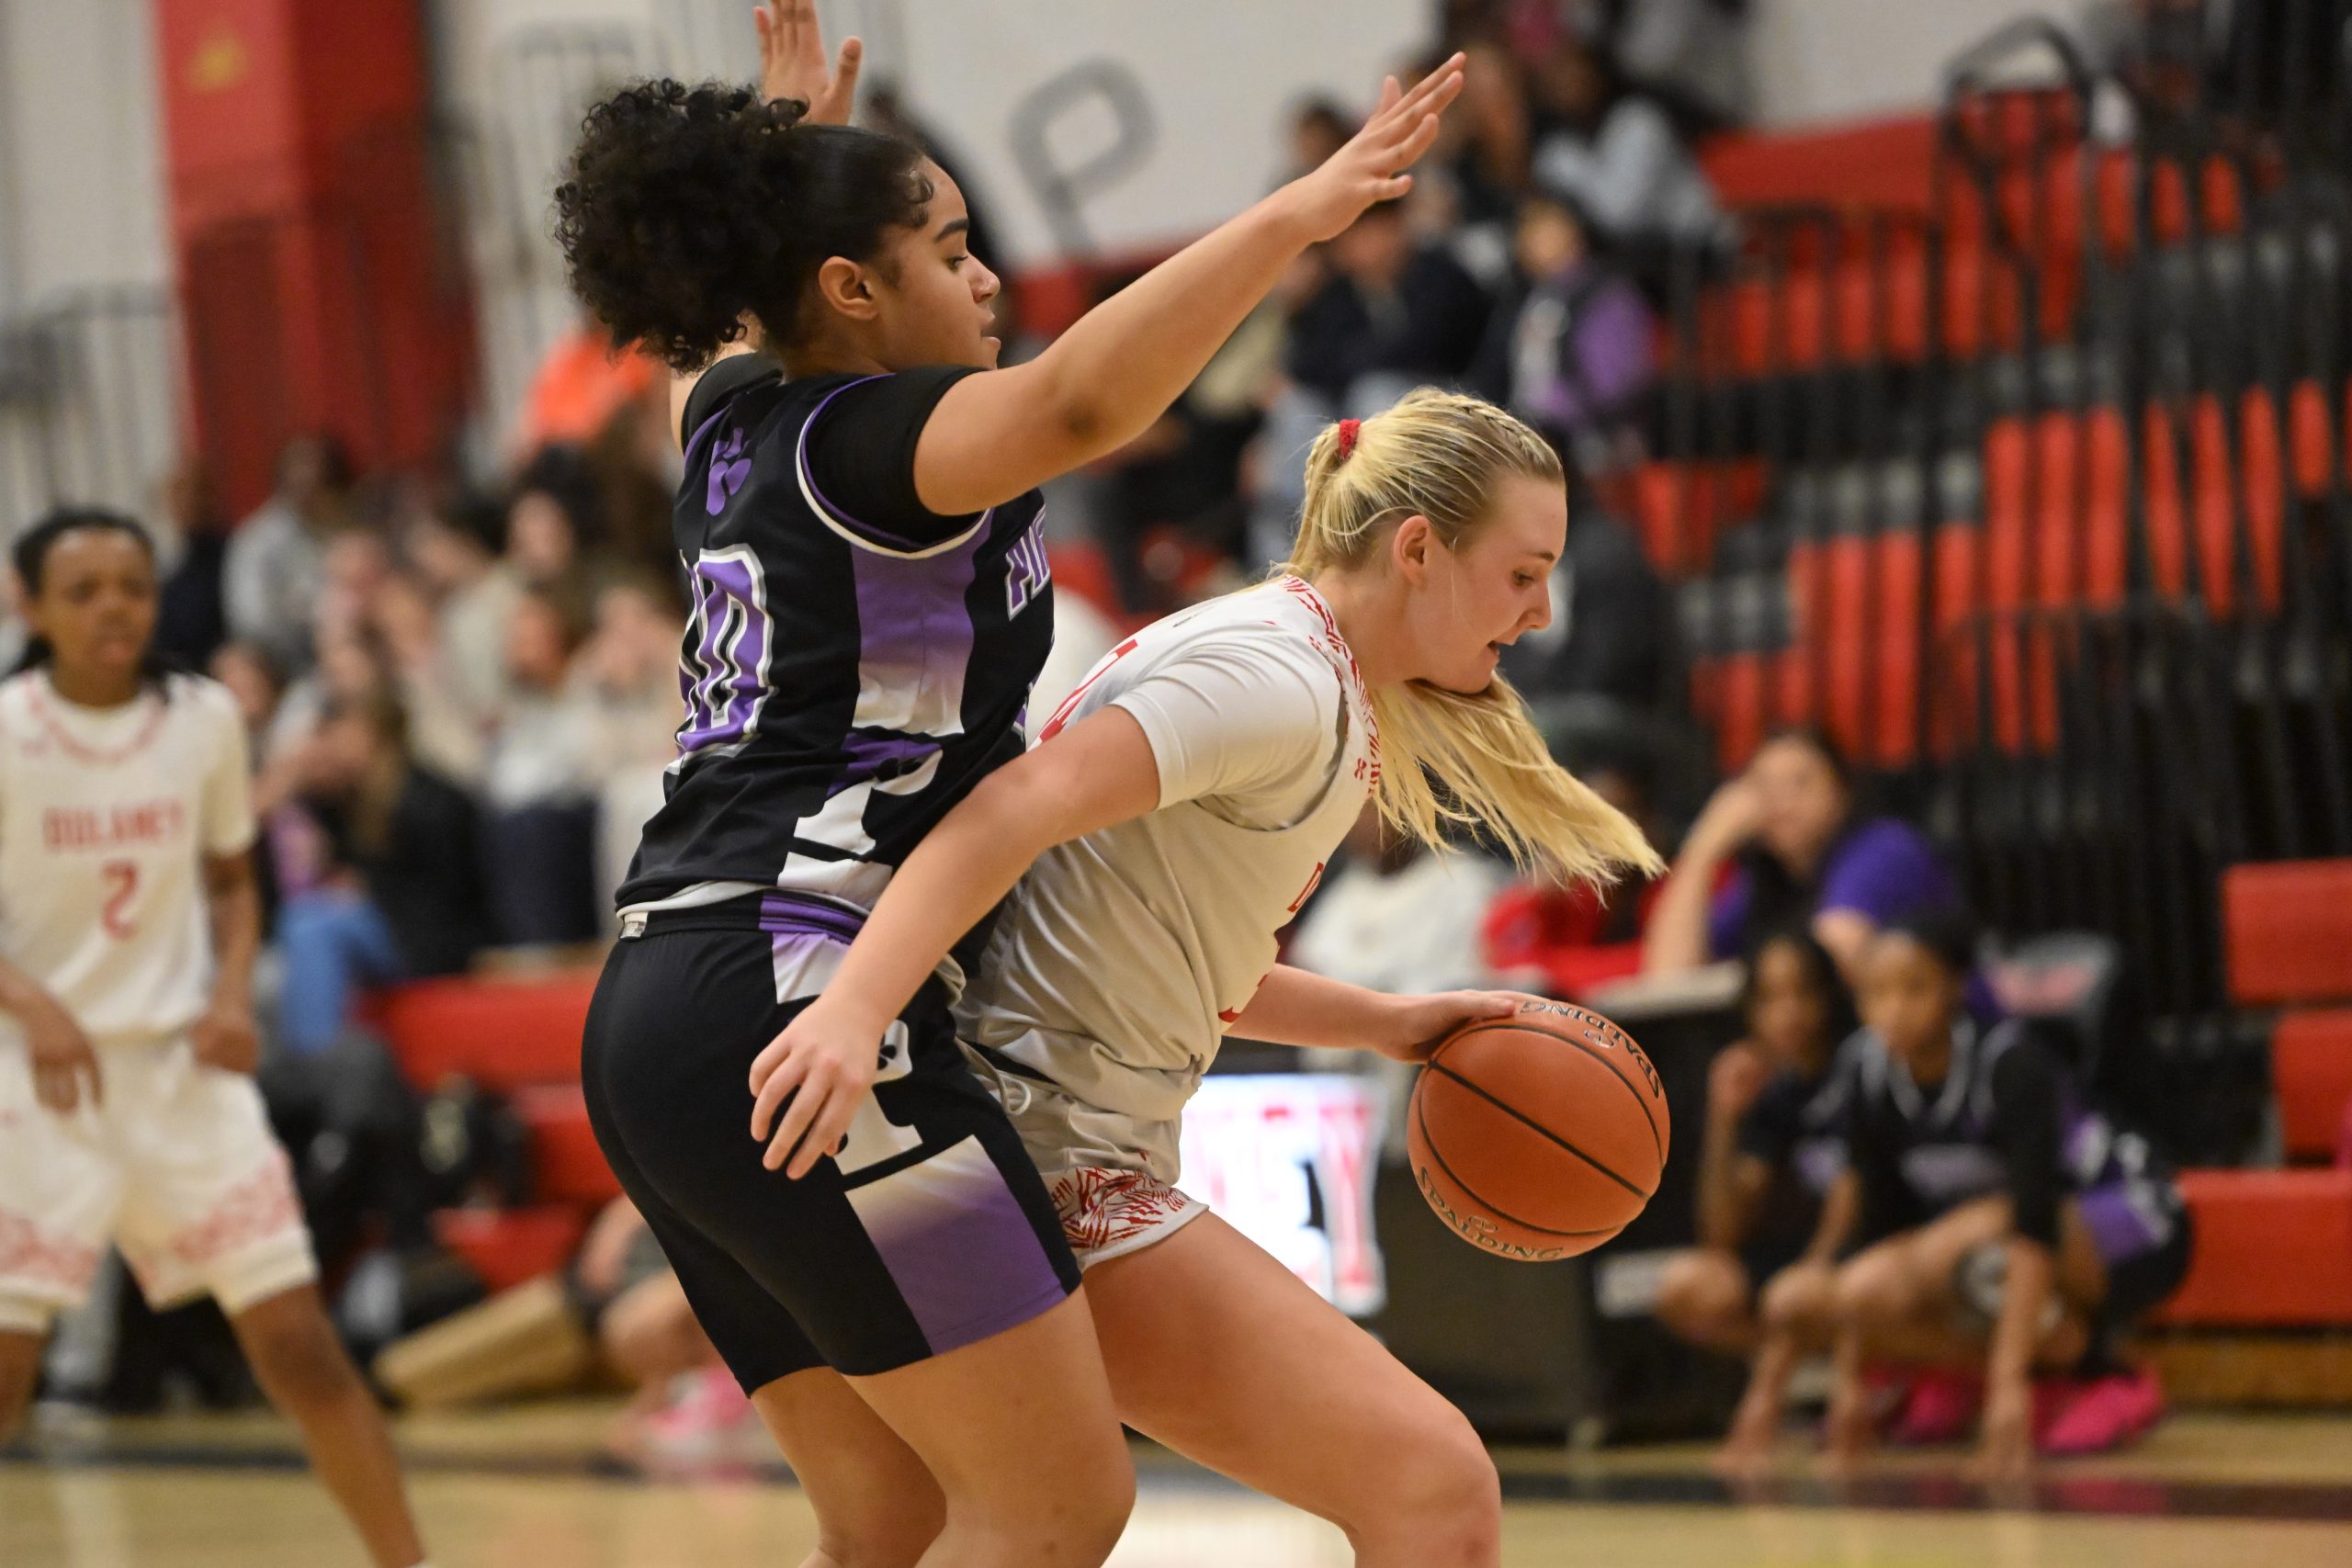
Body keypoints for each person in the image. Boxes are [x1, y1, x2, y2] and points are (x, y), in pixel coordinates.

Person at [559, 3, 1468, 1562]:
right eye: (951, 245)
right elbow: (1083, 406)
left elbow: (710, 325)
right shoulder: (870, 442)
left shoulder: (721, 426)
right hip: (799, 997)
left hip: (656, 1013)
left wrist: (780, 148)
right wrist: (1297, 212)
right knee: (1057, 1505)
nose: (986, 279)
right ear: (852, 290)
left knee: (893, 1513)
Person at [752, 391, 1660, 1567]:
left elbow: (1157, 946)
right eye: (1524, 572)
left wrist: (1386, 1022)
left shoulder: (1296, 665)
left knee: (900, 1535)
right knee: (1431, 1488)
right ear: (1419, 549)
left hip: (1015, 1129)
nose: (1540, 614)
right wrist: (856, 1008)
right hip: (1040, 1152)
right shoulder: (1275, 676)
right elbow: (1018, 808)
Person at [0, 509, 431, 1568]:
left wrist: (234, 992)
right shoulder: (7, 730)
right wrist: (33, 1004)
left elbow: (234, 882)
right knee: (6, 1379)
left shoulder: (202, 720)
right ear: (32, 605)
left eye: (132, 586)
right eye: (85, 588)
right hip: (41, 1084)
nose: (113, 606)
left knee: (302, 1350)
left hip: (184, 1075)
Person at [1818, 916, 2190, 1477]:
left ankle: (2104, 1374)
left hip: (2134, 1218)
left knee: (1965, 1243)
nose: (1893, 1008)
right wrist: (1848, 1380)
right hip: (2002, 1235)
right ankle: (2045, 1362)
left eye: (1914, 987)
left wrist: (2006, 1387)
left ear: (1954, 989)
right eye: (1876, 992)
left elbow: (2033, 1221)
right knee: (1859, 1292)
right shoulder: (1868, 1073)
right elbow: (1877, 1227)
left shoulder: (2009, 1063)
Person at [1657, 929, 1860, 1361]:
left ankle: (1878, 1365)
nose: (1788, 1013)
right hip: (1797, 1264)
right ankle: (1817, 1361)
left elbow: (1853, 1194)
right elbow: (1721, 1235)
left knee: (1795, 1296)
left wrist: (1810, 1275)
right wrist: (1723, 1119)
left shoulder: (1862, 1068)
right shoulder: (1773, 1093)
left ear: (1830, 996)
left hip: (1866, 1254)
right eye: (1769, 998)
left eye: (1802, 992)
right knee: (1688, 1287)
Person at [1643, 725, 1964, 980]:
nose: (1782, 801)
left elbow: (1824, 968)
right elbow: (1670, 975)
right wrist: (1704, 846)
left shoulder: (1883, 849)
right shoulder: (1764, 880)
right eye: (1764, 786)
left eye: (1800, 782)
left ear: (1843, 791)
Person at [222, 434, 355, 675]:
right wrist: (312, 624)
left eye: (318, 481)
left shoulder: (345, 527)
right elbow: (253, 623)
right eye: (300, 481)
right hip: (286, 669)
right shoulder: (257, 542)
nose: (309, 488)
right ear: (282, 483)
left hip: (349, 657)